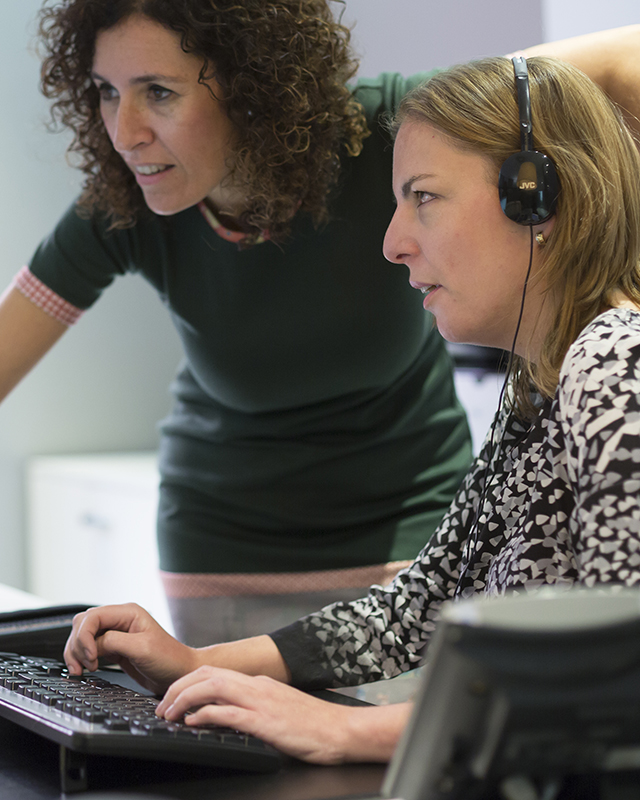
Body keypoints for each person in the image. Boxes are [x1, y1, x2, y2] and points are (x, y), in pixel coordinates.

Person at [0, 0, 640, 696]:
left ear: (251, 81)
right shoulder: (126, 209)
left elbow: (608, 66)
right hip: (229, 549)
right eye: (104, 92)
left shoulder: (393, 134)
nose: (124, 129)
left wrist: (611, 282)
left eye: (159, 92)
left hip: (403, 535)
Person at [63, 53, 640, 764]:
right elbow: (412, 610)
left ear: (537, 200)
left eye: (423, 197)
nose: (394, 243)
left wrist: (347, 730)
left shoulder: (616, 365)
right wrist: (194, 660)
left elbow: (621, 672)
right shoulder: (539, 383)